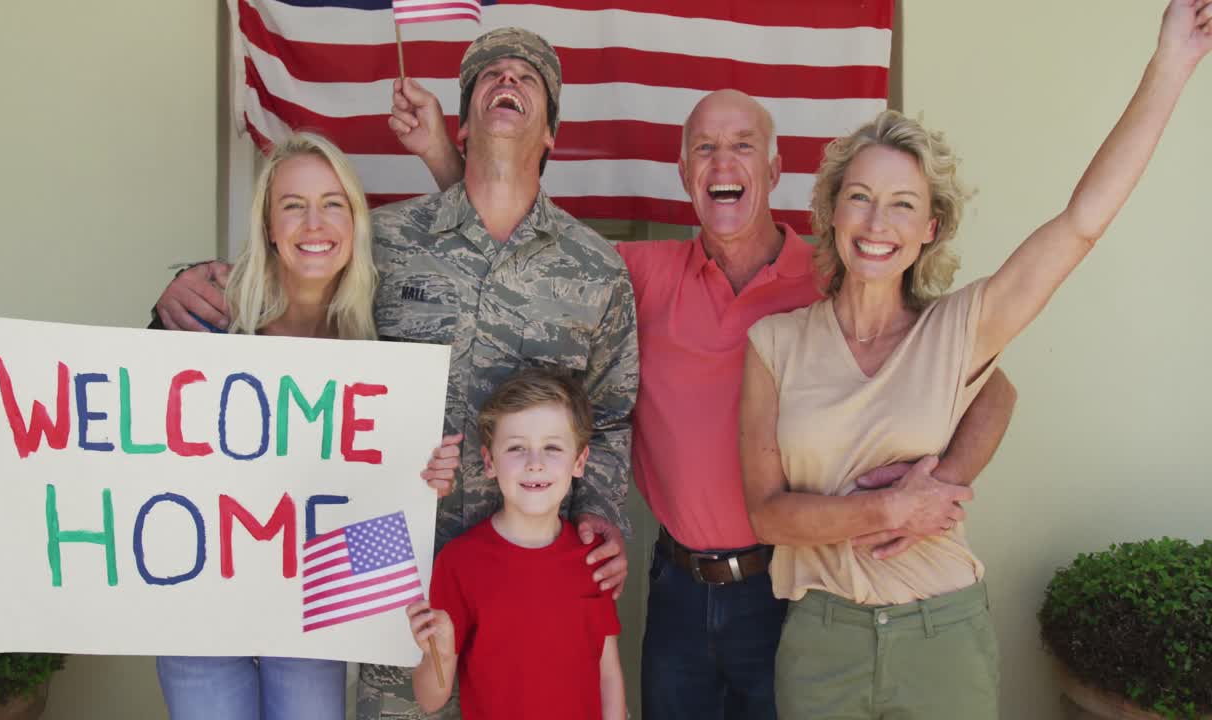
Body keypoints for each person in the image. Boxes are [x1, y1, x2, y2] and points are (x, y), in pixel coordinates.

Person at [388, 81, 1017, 717]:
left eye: (743, 146)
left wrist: (938, 485)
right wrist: (443, 156)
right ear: (684, 172)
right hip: (678, 586)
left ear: (774, 170)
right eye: (705, 149)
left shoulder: (834, 276)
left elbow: (993, 390)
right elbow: (524, 244)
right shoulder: (637, 271)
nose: (723, 163)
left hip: (788, 583)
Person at [150, 27, 639, 718]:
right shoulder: (383, 241)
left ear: (553, 131)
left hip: (534, 583)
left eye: (526, 79)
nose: (507, 81)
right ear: (463, 125)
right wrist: (186, 290)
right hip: (399, 576)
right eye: (489, 77)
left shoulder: (597, 270)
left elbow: (612, 413)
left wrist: (604, 516)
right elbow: (291, 306)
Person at [739, 3, 1212, 718]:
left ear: (929, 229)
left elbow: (1081, 222)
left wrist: (1170, 64)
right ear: (832, 210)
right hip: (821, 638)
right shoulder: (773, 344)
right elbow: (768, 515)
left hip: (942, 633)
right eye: (860, 198)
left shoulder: (960, 329)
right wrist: (892, 506)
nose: (877, 223)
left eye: (903, 205)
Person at [0, 132, 403, 719]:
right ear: (268, 224)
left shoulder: (378, 338)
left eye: (332, 203)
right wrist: (11, 434)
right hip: (196, 609)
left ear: (354, 221)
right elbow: (105, 432)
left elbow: (380, 493)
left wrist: (419, 475)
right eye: (292, 204)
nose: (313, 222)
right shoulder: (203, 313)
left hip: (308, 607)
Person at [405, 368, 626, 719]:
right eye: (516, 448)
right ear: (490, 461)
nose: (535, 464)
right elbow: (430, 699)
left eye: (552, 447)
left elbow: (608, 673)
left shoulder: (592, 557)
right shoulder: (460, 562)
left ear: (580, 461)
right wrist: (440, 655)